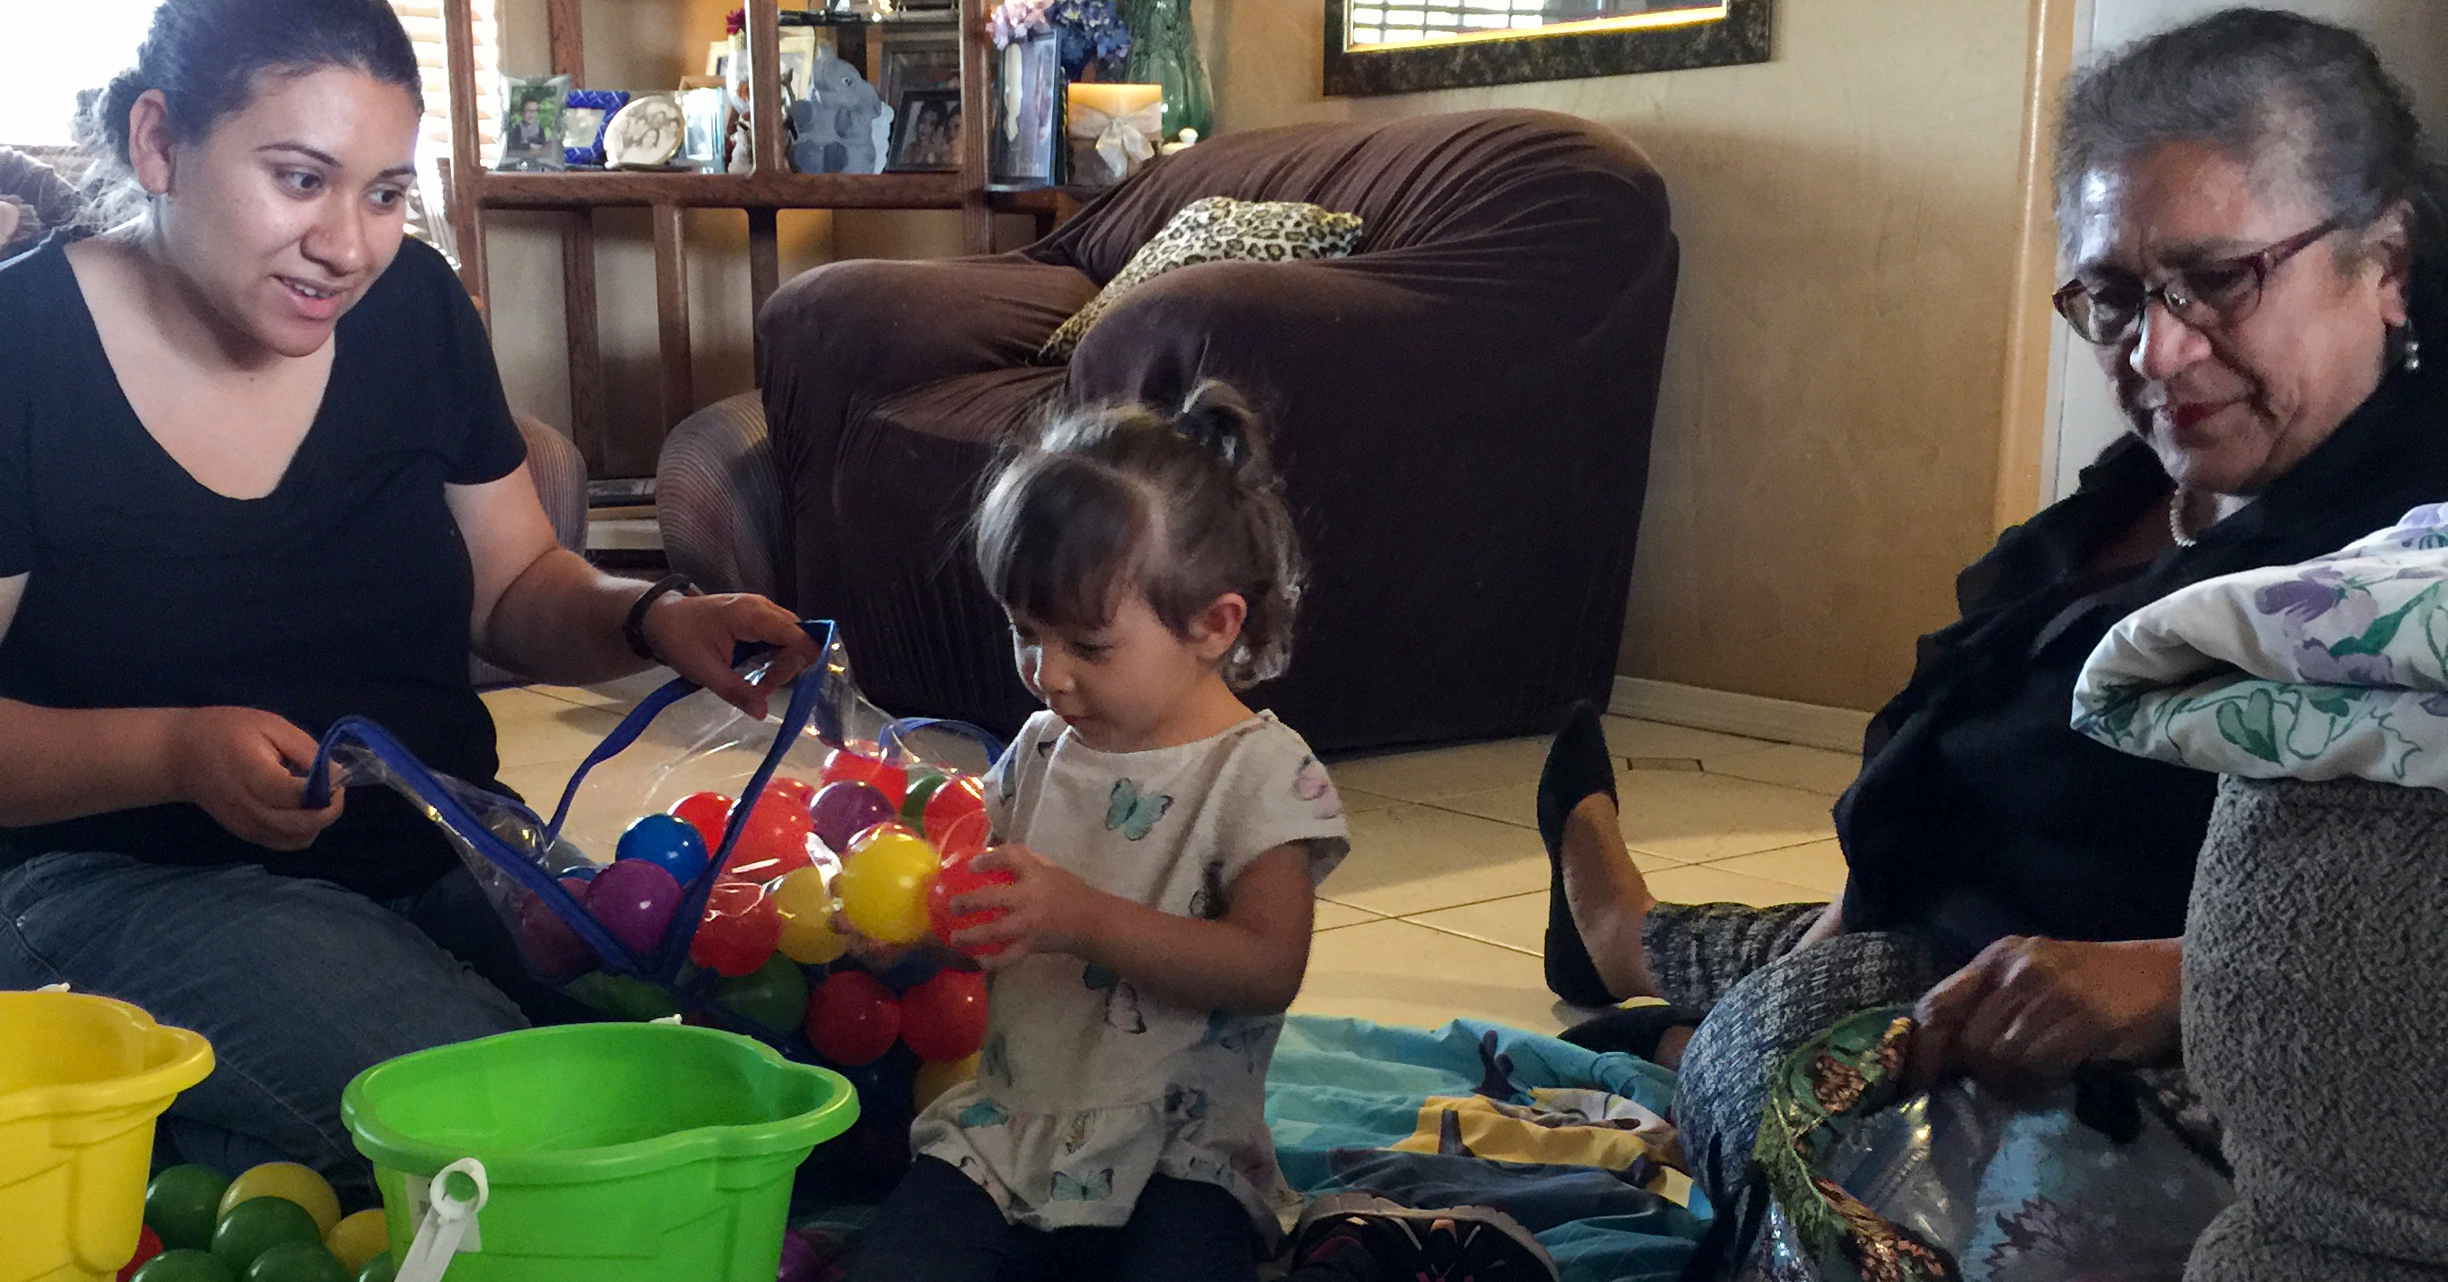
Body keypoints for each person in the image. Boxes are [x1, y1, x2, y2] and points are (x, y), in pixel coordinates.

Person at [1534, 5, 2448, 1225]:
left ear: (2384, 263)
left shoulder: (2410, 562)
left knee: (1757, 1061)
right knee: (1799, 956)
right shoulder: (2150, 498)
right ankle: (1636, 938)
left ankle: (1659, 986)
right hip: (1940, 923)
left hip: (2073, 1005)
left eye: (2220, 280)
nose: (2159, 354)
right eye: (2113, 298)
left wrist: (2179, 978)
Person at [0, 0, 818, 1206]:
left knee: (733, 1057)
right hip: (117, 878)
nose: (348, 244)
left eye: (383, 193)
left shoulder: (411, 311)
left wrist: (650, 620)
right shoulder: (24, 350)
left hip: (438, 833)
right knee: (531, 1131)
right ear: (160, 142)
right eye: (299, 180)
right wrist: (173, 749)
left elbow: (519, 584)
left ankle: (226, 1142)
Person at [844, 386, 1357, 1282]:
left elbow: (1269, 965)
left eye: (1087, 644)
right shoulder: (1041, 748)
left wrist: (1084, 919)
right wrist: (916, 936)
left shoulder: (1263, 774)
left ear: (1214, 626)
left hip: (1181, 1149)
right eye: (1023, 633)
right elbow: (996, 910)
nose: (1047, 675)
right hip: (1011, 1130)